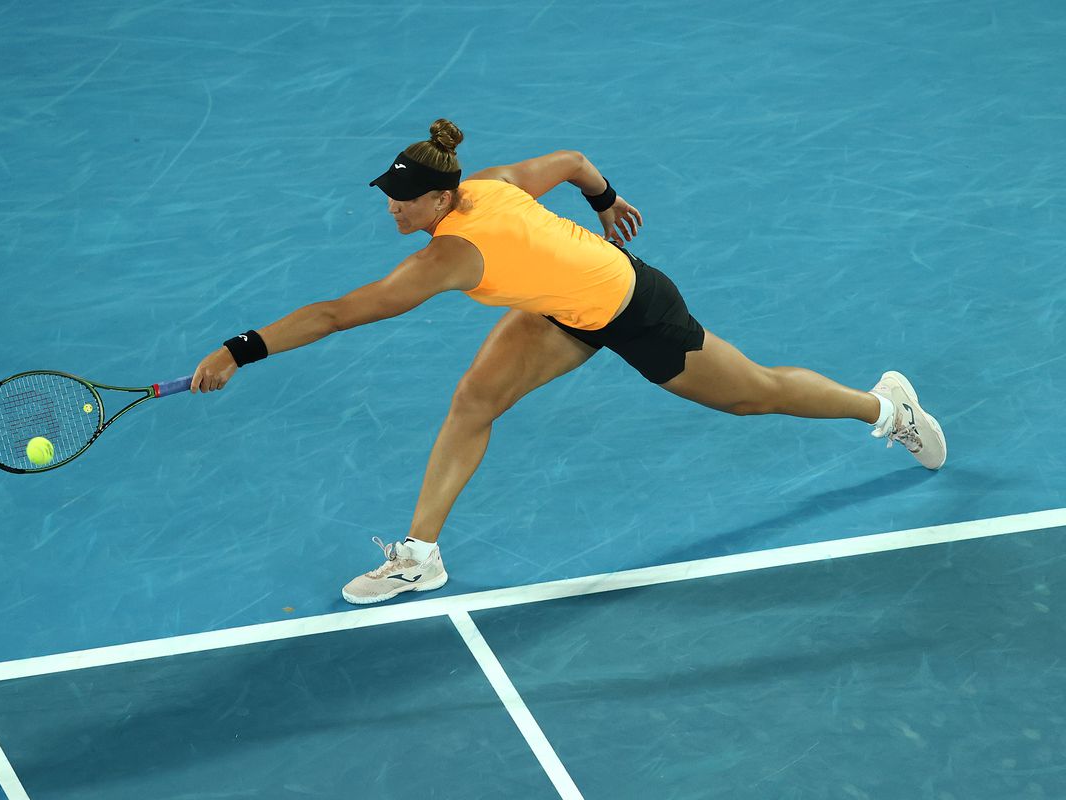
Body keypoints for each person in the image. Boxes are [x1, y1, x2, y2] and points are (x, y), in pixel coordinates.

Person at [190, 119, 946, 605]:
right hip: (561, 308)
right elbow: (577, 159)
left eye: (405, 200)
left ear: (442, 198)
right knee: (474, 402)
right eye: (390, 195)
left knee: (754, 395)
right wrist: (605, 200)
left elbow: (335, 314)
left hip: (635, 308)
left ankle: (885, 407)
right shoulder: (493, 183)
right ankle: (420, 554)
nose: (393, 208)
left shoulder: (448, 256)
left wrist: (237, 350)